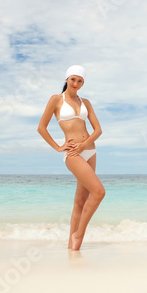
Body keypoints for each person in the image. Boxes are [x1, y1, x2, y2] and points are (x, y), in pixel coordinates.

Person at [37, 65, 105, 251]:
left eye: (80, 81)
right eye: (73, 79)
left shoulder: (86, 103)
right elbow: (41, 128)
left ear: (83, 83)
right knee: (99, 192)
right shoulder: (56, 100)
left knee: (80, 201)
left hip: (90, 151)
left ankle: (72, 248)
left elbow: (98, 130)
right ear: (67, 79)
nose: (76, 83)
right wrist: (59, 147)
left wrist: (85, 144)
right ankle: (79, 234)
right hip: (73, 154)